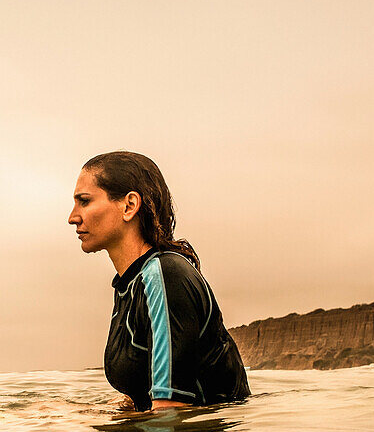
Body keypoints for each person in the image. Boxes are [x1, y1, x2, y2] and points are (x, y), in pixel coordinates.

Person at [68, 151, 250, 410]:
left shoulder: (165, 276)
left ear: (129, 206)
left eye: (84, 201)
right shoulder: (128, 284)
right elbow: (143, 395)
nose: (73, 217)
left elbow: (171, 412)